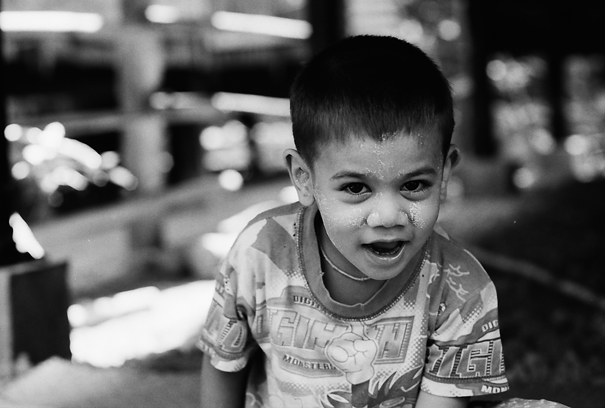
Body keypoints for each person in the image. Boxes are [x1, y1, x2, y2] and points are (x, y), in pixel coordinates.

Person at [199, 35, 506, 408]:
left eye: (413, 185)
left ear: (444, 176)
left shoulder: (460, 291)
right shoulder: (260, 253)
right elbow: (222, 363)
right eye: (357, 187)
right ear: (304, 178)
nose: (388, 216)